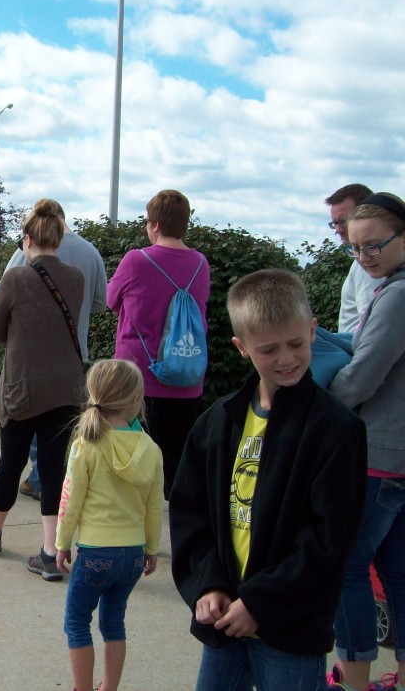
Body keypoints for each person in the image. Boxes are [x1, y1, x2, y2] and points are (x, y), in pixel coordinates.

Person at [169, 269, 367, 691]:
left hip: (290, 631)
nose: (286, 358)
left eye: (296, 343)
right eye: (268, 349)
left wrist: (261, 602)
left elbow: (329, 539)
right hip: (224, 624)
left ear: (313, 330)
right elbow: (191, 515)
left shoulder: (336, 429)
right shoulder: (216, 424)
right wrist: (207, 584)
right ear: (241, 348)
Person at [0, 198, 85, 578]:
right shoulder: (76, 278)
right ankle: (52, 553)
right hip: (67, 386)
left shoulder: (17, 278)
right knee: (54, 469)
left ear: (29, 238)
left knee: (12, 459)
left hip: (23, 384)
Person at [327, 193, 405, 691]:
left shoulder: (397, 295)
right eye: (356, 250)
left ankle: (353, 679)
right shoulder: (390, 287)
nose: (364, 258)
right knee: (397, 573)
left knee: (348, 567)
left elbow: (362, 378)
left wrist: (317, 394)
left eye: (374, 246)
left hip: (378, 455)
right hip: (397, 458)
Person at [55, 359, 163, 691]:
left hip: (94, 552)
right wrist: (152, 548)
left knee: (77, 623)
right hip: (131, 555)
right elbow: (154, 506)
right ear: (135, 400)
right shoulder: (151, 449)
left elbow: (70, 500)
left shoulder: (86, 444)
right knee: (114, 624)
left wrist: (60, 543)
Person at [0, 199, 108, 501]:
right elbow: (101, 301)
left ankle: (34, 480)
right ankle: (43, 485)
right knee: (56, 431)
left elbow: (1, 292)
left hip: (30, 355)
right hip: (73, 351)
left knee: (23, 426)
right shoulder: (91, 252)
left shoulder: (27, 249)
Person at [107, 189, 210, 500]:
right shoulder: (200, 263)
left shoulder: (136, 260)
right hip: (185, 374)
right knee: (175, 469)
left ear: (153, 224)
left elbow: (112, 300)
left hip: (138, 378)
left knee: (131, 468)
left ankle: (133, 539)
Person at [326, 183, 380, 333]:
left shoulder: (369, 262)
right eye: (334, 223)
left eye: (342, 221)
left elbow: (370, 321)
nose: (337, 229)